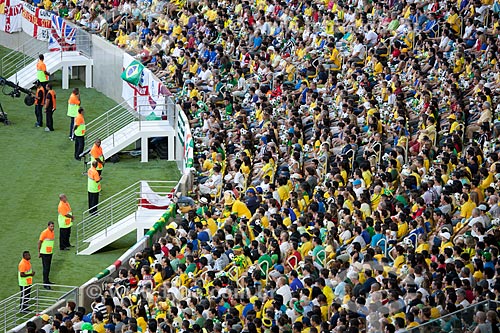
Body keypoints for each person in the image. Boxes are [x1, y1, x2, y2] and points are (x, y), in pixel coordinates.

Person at [38, 221, 55, 289]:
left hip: (49, 252)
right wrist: (39, 252)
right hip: (44, 253)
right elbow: (39, 242)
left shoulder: (52, 232)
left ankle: (47, 281)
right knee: (45, 268)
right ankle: (45, 283)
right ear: (48, 226)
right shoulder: (44, 232)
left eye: (53, 226)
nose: (52, 227)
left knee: (48, 268)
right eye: (51, 226)